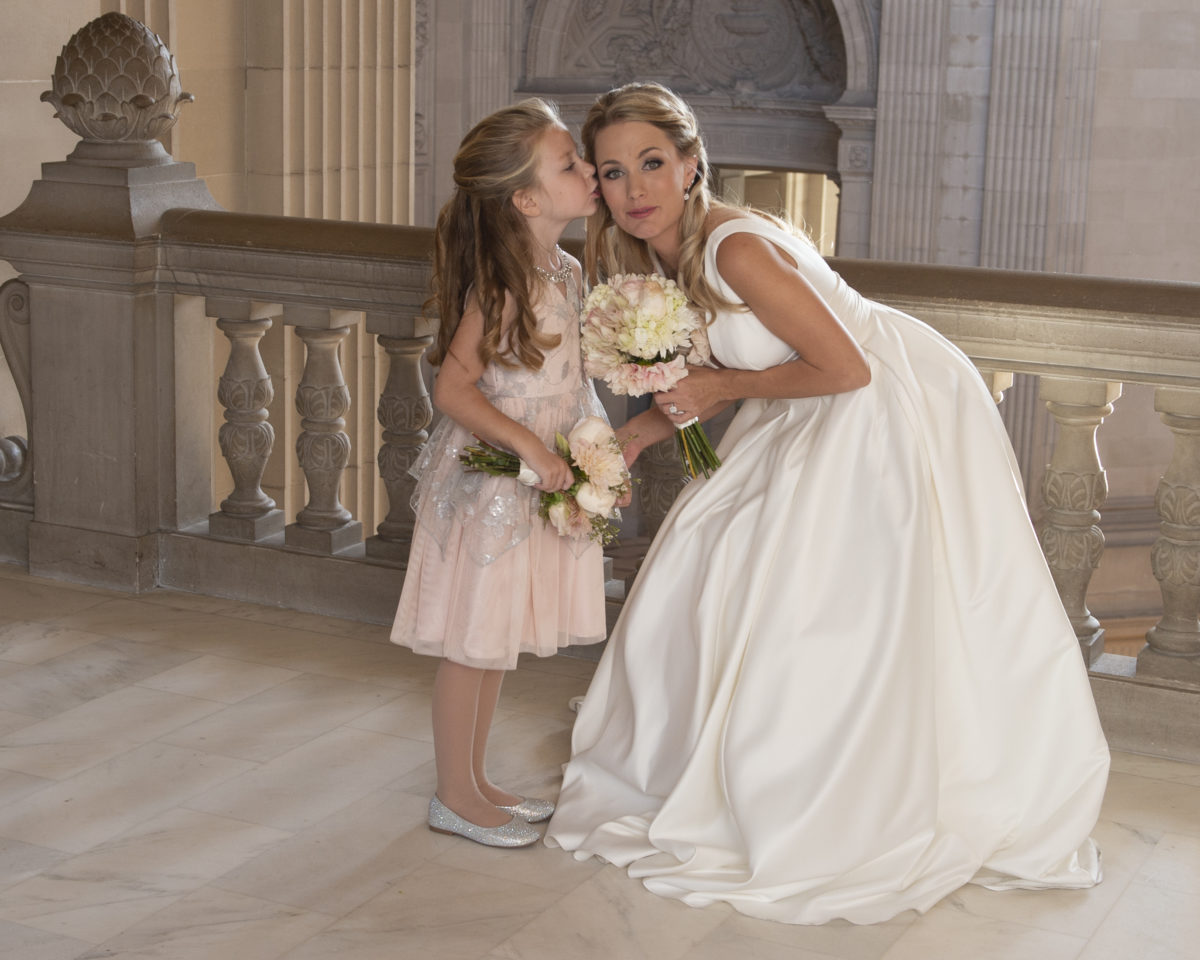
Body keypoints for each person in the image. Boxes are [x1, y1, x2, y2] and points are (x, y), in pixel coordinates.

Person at [544, 82, 1110, 923]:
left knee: (815, 597)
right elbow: (730, 381)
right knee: (714, 558)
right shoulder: (664, 255)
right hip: (802, 403)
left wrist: (717, 383)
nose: (637, 191)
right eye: (616, 172)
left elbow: (845, 368)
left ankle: (821, 785)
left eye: (653, 165)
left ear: (692, 164)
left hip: (874, 407)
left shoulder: (732, 249)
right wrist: (636, 440)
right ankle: (707, 753)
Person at [390, 98, 607, 847]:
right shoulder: (505, 282)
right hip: (492, 479)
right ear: (525, 197)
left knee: (498, 637)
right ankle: (453, 794)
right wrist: (533, 450)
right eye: (570, 165)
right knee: (470, 640)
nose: (588, 173)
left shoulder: (568, 270)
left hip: (541, 471)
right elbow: (454, 390)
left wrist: (589, 455)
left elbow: (571, 380)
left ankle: (477, 782)